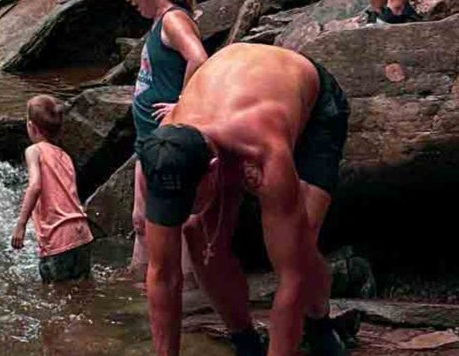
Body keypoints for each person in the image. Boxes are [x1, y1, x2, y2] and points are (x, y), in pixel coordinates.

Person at [138, 43, 349, 356]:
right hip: (226, 92)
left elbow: (289, 277)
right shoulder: (160, 155)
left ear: (213, 172)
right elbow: (162, 276)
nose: (186, 211)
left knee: (300, 243)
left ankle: (319, 324)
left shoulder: (263, 152)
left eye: (190, 201)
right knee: (199, 237)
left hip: (309, 99)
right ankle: (245, 342)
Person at [123, 0, 208, 275]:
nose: (129, 0)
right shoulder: (160, 22)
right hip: (147, 141)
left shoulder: (173, 21)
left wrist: (181, 103)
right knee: (140, 222)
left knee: (176, 222)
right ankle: (142, 297)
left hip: (166, 143)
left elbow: (199, 58)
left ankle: (187, 302)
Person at [11, 94, 94, 283]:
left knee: (56, 296)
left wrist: (21, 224)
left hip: (58, 237)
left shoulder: (34, 151)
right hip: (82, 233)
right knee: (81, 291)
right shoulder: (65, 156)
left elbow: (35, 186)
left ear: (31, 126)